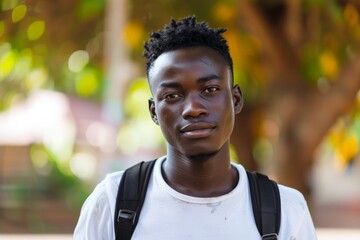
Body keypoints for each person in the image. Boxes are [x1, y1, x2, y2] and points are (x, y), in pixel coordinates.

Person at [74, 16, 317, 239]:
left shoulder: (285, 210)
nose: (193, 108)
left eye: (209, 90)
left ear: (235, 100)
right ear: (153, 112)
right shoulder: (112, 203)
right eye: (172, 96)